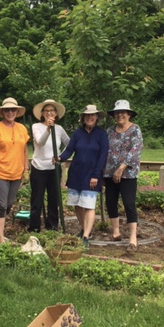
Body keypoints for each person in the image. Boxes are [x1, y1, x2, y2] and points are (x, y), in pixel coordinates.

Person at [56, 105, 109, 247]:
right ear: (83, 118)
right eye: (87, 115)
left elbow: (103, 156)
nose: (90, 118)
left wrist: (96, 175)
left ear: (97, 117)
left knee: (89, 205)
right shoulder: (77, 133)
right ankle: (84, 229)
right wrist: (60, 158)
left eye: (93, 115)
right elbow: (69, 150)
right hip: (76, 173)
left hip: (92, 175)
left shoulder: (101, 135)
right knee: (77, 205)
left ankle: (85, 237)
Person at [103, 99, 143, 253]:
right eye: (117, 113)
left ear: (129, 114)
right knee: (110, 202)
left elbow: (135, 150)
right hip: (110, 173)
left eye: (123, 113)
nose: (120, 115)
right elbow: (105, 150)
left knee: (129, 203)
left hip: (128, 173)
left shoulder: (135, 130)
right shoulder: (109, 131)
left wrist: (121, 168)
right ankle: (116, 232)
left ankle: (133, 238)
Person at [0, 97, 30, 243]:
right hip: (0, 172)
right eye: (7, 110)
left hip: (17, 173)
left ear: (17, 112)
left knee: (9, 204)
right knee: (1, 205)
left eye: (13, 110)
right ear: (3, 112)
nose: (10, 112)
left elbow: (25, 150)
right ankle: (0, 237)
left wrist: (25, 168)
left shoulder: (22, 128)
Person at [28, 99, 70, 233]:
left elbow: (70, 144)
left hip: (54, 168)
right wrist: (48, 129)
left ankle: (52, 226)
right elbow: (40, 142)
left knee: (54, 199)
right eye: (46, 110)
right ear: (42, 113)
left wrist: (60, 157)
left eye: (52, 110)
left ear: (56, 114)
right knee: (37, 199)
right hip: (39, 167)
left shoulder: (59, 129)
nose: (49, 113)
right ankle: (34, 227)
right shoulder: (36, 126)